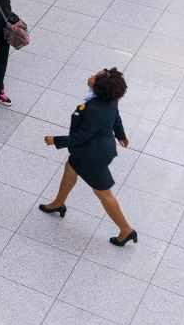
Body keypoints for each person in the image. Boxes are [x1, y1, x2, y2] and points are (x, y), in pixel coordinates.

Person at [38, 68, 136, 246]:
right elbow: (116, 117)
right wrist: (121, 135)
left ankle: (126, 230)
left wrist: (55, 140)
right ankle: (58, 203)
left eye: (97, 75)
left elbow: (81, 137)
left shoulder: (93, 109)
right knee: (70, 168)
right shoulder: (109, 100)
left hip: (92, 156)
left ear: (98, 87)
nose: (93, 74)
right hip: (93, 150)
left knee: (104, 193)